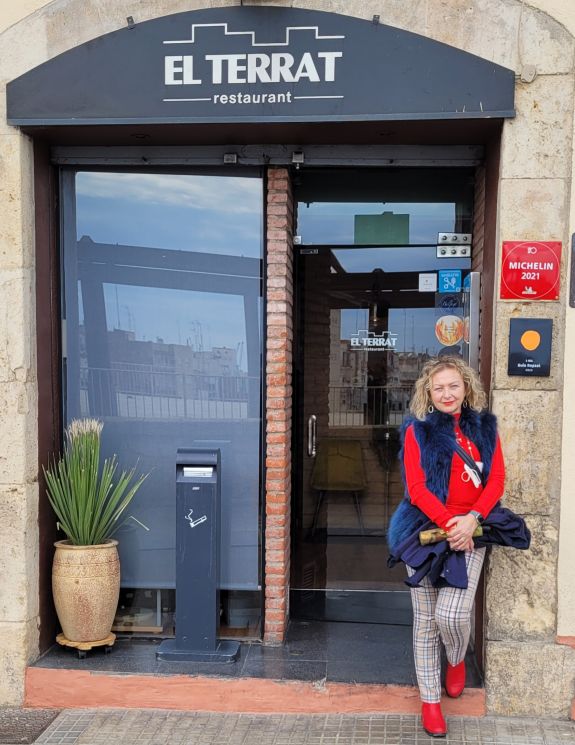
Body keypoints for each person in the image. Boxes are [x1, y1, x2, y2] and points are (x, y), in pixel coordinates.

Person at [390, 356, 505, 738]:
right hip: (424, 532)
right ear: (428, 392)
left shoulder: (485, 428)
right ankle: (430, 702)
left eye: (453, 385)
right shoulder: (417, 431)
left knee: (452, 615)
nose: (446, 393)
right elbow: (416, 488)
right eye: (438, 388)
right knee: (426, 621)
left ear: (466, 387)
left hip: (473, 529)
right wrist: (451, 524)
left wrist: (471, 519)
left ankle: (456, 658)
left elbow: (496, 480)